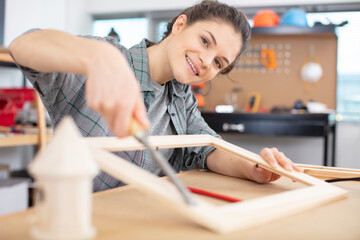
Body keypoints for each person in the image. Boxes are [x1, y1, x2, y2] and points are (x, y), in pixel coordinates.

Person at [9, 0, 302, 192]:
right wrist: (95, 55)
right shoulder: (107, 60)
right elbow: (23, 45)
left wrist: (255, 167)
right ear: (179, 25)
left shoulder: (181, 98)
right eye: (204, 41)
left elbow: (209, 148)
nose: (205, 62)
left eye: (218, 63)